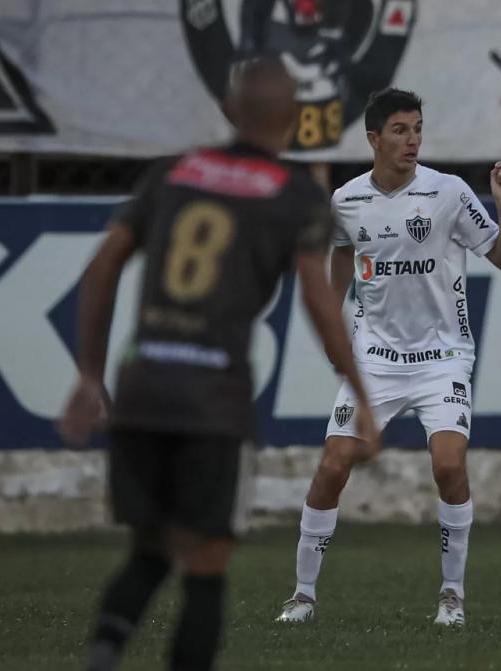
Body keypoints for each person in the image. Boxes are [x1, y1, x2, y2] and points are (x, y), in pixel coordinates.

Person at [58, 55, 376, 671]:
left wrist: (89, 376)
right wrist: (360, 392)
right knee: (205, 566)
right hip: (213, 401)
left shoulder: (172, 173)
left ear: (229, 111)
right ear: (295, 123)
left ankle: (103, 653)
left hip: (143, 386)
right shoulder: (296, 198)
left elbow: (99, 271)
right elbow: (319, 299)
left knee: (148, 552)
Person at [275, 88, 501, 626]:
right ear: (373, 139)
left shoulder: (448, 193)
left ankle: (452, 594)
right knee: (332, 466)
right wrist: (333, 338)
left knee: (449, 464)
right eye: (400, 130)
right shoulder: (347, 201)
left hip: (443, 358)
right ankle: (302, 596)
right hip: (374, 360)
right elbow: (339, 273)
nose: (412, 140)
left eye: (417, 129)